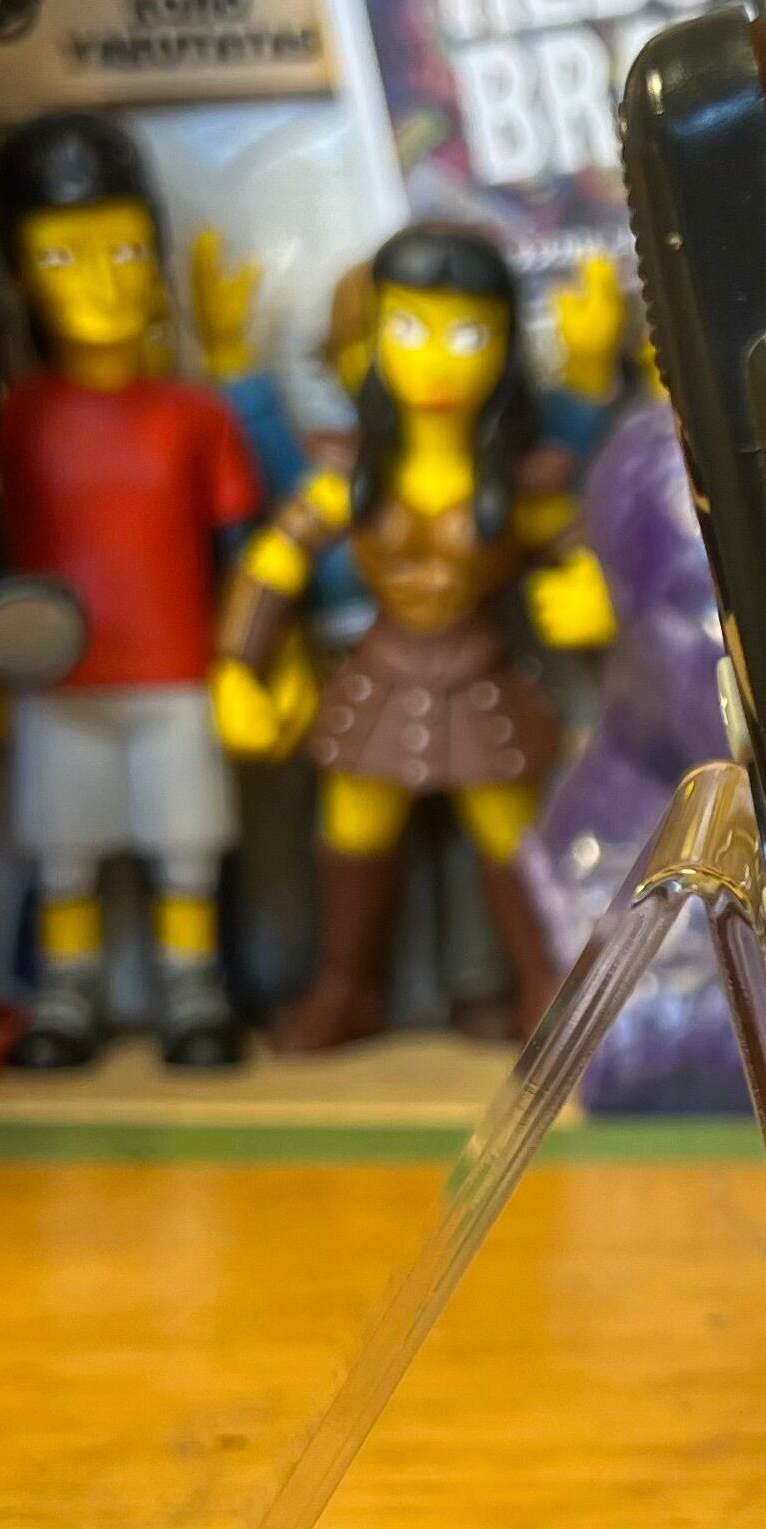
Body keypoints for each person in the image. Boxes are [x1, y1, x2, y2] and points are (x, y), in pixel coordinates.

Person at [0, 112, 265, 1069]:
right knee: (65, 852)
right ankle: (66, 993)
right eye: (63, 256)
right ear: (17, 275)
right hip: (56, 679)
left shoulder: (193, 414)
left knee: (187, 848)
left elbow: (250, 551)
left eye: (126, 250)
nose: (103, 283)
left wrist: (253, 661)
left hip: (178, 677)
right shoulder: (12, 419)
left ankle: (194, 989)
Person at [211, 224, 617, 1051]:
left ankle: (544, 986)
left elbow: (586, 547)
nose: (435, 359)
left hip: (481, 676)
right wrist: (235, 667)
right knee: (353, 830)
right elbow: (273, 563)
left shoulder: (519, 479)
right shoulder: (352, 472)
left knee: (509, 837)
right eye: (408, 327)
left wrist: (597, 597)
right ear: (374, 335)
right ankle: (346, 990)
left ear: (504, 344)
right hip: (382, 674)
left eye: (467, 334)